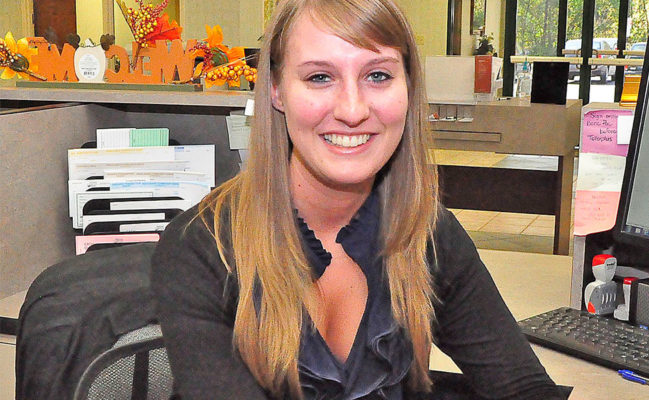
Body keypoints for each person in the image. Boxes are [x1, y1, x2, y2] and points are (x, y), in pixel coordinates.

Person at [151, 0, 565, 398]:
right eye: (319, 77)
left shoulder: (426, 233)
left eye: (378, 76)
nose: (352, 110)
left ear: (408, 89)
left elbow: (523, 387)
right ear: (277, 91)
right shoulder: (203, 248)